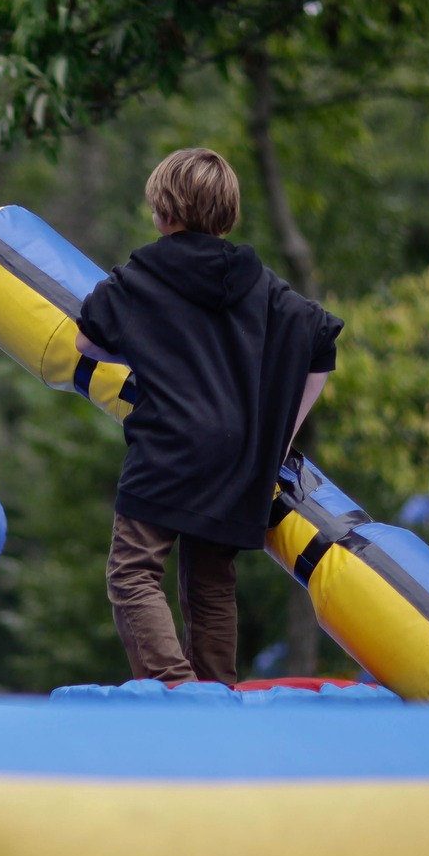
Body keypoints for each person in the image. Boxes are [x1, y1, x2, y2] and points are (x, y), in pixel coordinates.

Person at [73, 147, 344, 685]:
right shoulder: (260, 283)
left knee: (133, 571)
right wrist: (280, 434)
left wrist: (149, 348)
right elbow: (322, 346)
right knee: (212, 578)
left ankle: (177, 688)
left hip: (170, 445)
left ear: (164, 210)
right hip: (242, 455)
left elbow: (87, 340)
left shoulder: (144, 274)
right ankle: (216, 694)